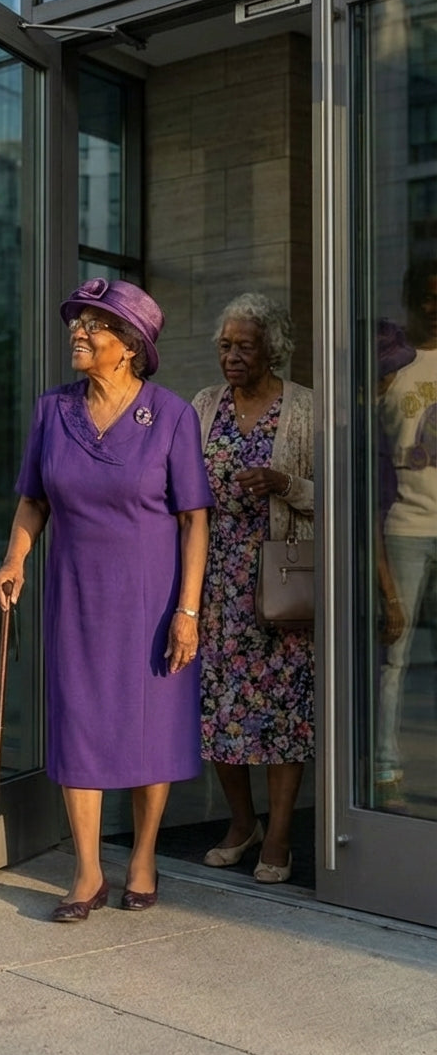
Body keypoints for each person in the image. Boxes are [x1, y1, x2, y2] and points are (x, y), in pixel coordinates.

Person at [0, 277, 212, 922]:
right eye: (77, 322)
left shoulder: (170, 414)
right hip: (77, 598)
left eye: (96, 325)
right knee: (80, 725)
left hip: (153, 599)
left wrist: (189, 611)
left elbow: (193, 517)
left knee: (151, 729)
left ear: (131, 346)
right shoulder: (52, 411)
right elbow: (34, 500)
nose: (78, 333)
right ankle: (87, 872)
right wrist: (15, 558)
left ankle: (142, 856)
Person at [192, 293, 313, 885]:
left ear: (273, 349)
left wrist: (284, 482)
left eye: (245, 345)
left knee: (286, 712)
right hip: (215, 582)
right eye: (225, 345)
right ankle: (243, 824)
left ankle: (282, 833)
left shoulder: (304, 409)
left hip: (280, 579)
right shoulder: (203, 406)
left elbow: (338, 494)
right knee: (219, 709)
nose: (232, 356)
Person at [375, 260, 437, 812]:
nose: (435, 306)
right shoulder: (393, 368)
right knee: (395, 656)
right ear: (412, 299)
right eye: (427, 296)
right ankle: (385, 767)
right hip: (405, 530)